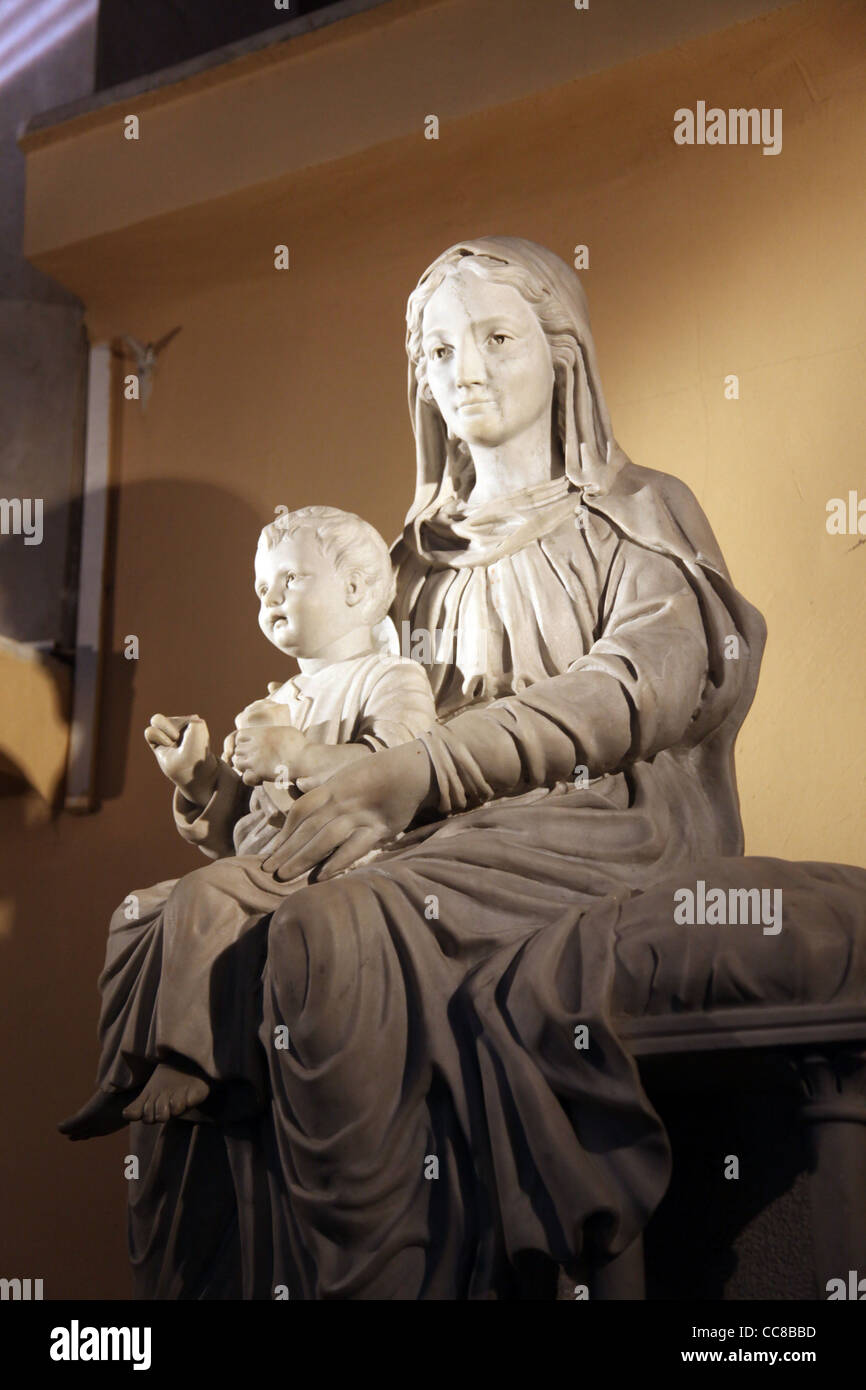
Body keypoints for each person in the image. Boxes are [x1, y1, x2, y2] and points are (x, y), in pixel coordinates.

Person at [67, 238, 865, 1301]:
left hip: (599, 829)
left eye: (495, 337)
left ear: (563, 355)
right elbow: (351, 748)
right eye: (438, 349)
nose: (464, 370)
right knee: (169, 921)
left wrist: (420, 774)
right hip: (433, 837)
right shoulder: (401, 565)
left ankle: (386, 1274)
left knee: (330, 931)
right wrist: (249, 805)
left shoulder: (634, 514)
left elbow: (644, 687)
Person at [61, 505, 437, 1134]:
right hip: (267, 864)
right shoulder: (275, 701)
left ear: (356, 588)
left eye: (290, 579)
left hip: (339, 856)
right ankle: (125, 1069)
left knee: (204, 894)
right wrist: (200, 779)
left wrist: (301, 754)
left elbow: (407, 770)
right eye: (262, 588)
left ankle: (190, 1061)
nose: (271, 598)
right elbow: (243, 825)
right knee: (138, 913)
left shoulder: (391, 677)